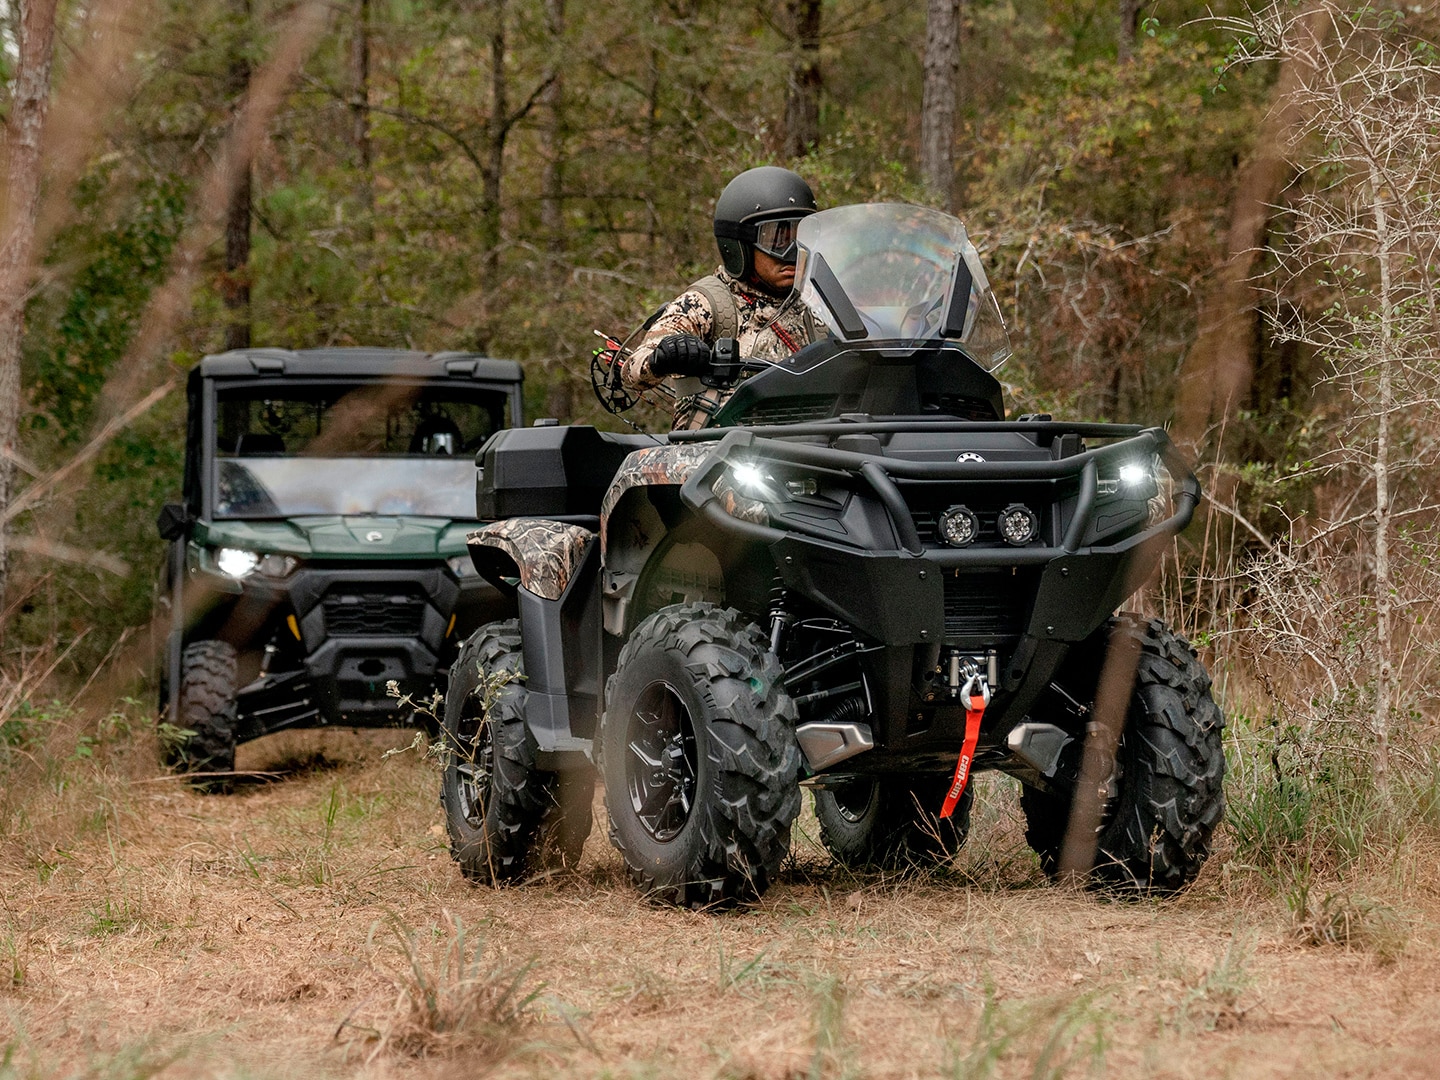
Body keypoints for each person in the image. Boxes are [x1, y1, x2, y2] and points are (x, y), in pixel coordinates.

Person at [621, 166, 818, 430]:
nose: (793, 252)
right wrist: (665, 356)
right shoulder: (708, 303)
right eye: (777, 240)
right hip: (719, 454)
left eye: (802, 237)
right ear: (739, 244)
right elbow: (631, 370)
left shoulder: (819, 303)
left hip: (810, 446)